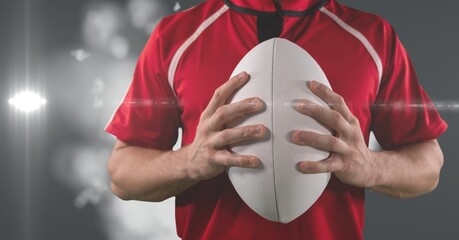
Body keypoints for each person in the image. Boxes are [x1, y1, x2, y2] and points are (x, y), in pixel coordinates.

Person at [105, 0, 447, 239]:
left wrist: (370, 167)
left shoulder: (372, 37)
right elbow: (123, 175)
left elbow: (428, 166)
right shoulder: (176, 37)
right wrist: (190, 162)